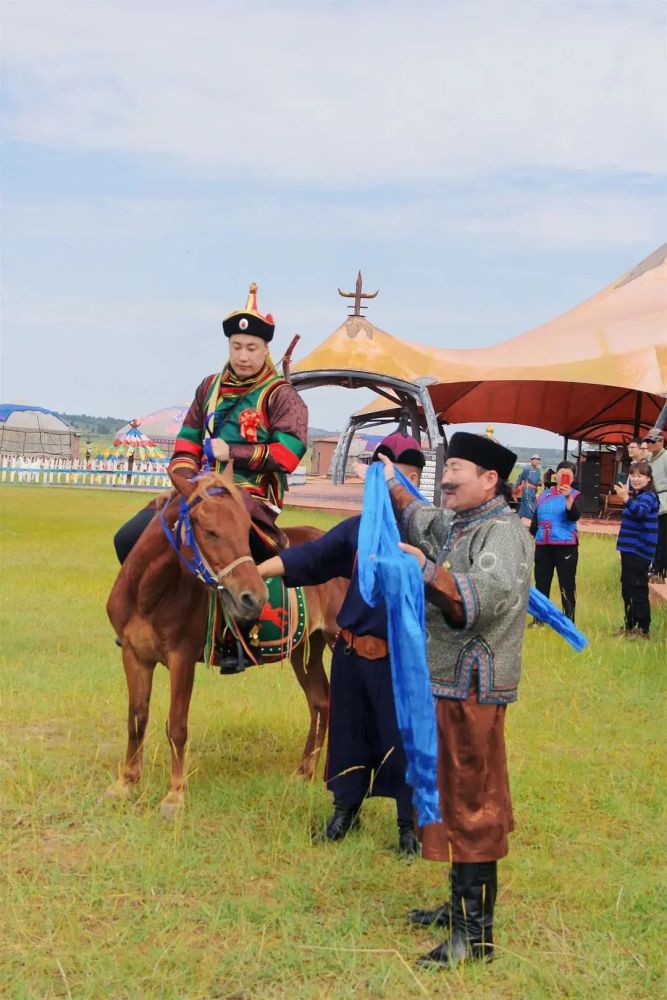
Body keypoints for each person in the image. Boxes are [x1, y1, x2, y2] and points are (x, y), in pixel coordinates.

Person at [379, 431, 532, 968]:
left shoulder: (504, 534)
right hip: (449, 687)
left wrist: (420, 568)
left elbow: (480, 601)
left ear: (490, 480)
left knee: (474, 803)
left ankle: (477, 936)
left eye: (457, 469)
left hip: (474, 689)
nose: (445, 478)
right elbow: (421, 517)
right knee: (453, 795)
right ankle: (457, 909)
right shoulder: (463, 524)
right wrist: (386, 478)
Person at [112, 283, 308, 670]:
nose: (244, 355)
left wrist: (232, 452)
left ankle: (236, 641)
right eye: (237, 346)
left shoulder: (281, 395)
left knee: (239, 560)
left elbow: (290, 452)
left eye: (252, 348)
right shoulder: (209, 387)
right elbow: (186, 441)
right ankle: (142, 618)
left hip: (251, 495)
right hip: (201, 491)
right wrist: (186, 482)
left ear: (266, 349)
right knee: (131, 537)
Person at [256, 432, 426, 856]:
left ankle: (408, 825)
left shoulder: (425, 532)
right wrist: (255, 570)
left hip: (398, 660)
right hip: (350, 653)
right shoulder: (356, 530)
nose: (381, 486)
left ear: (412, 479)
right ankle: (345, 811)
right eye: (377, 474)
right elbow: (311, 558)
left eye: (393, 477)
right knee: (349, 733)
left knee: (401, 738)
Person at [530, 460, 581, 622]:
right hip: (543, 546)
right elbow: (535, 521)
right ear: (555, 475)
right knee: (541, 584)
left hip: (565, 546)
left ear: (573, 478)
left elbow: (574, 516)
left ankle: (568, 620)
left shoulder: (575, 495)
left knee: (567, 584)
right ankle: (539, 620)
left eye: (568, 474)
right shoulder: (544, 494)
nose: (564, 476)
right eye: (561, 473)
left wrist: (567, 498)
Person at [613, 461, 659, 639]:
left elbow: (640, 513)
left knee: (638, 588)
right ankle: (630, 625)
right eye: (632, 475)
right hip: (629, 549)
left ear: (648, 478)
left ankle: (643, 629)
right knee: (627, 587)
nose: (635, 479)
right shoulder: (638, 496)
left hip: (639, 550)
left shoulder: (649, 497)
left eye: (640, 476)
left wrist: (625, 499)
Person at [643, 427, 667, 582]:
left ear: (661, 441)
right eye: (648, 441)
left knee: (662, 539)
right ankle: (655, 566)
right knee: (653, 537)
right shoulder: (650, 459)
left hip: (664, 501)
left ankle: (659, 569)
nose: (650, 444)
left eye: (653, 441)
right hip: (652, 501)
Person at [514, 454, 541, 526]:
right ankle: (533, 521)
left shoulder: (538, 471)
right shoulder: (527, 470)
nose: (536, 461)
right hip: (527, 490)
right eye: (535, 459)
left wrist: (539, 483)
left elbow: (538, 481)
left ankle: (518, 520)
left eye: (538, 460)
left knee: (525, 506)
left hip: (533, 490)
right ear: (531, 460)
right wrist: (514, 488)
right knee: (530, 506)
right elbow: (519, 479)